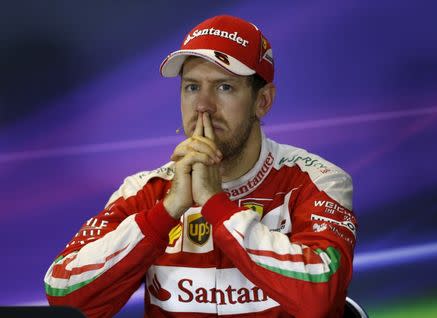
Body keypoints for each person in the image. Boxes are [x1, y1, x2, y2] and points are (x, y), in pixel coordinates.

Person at [44, 15, 357, 317]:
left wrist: (215, 205)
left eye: (224, 87)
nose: (203, 106)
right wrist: (165, 212)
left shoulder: (316, 181)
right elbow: (64, 296)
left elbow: (322, 300)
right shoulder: (146, 191)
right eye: (192, 87)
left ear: (263, 101)